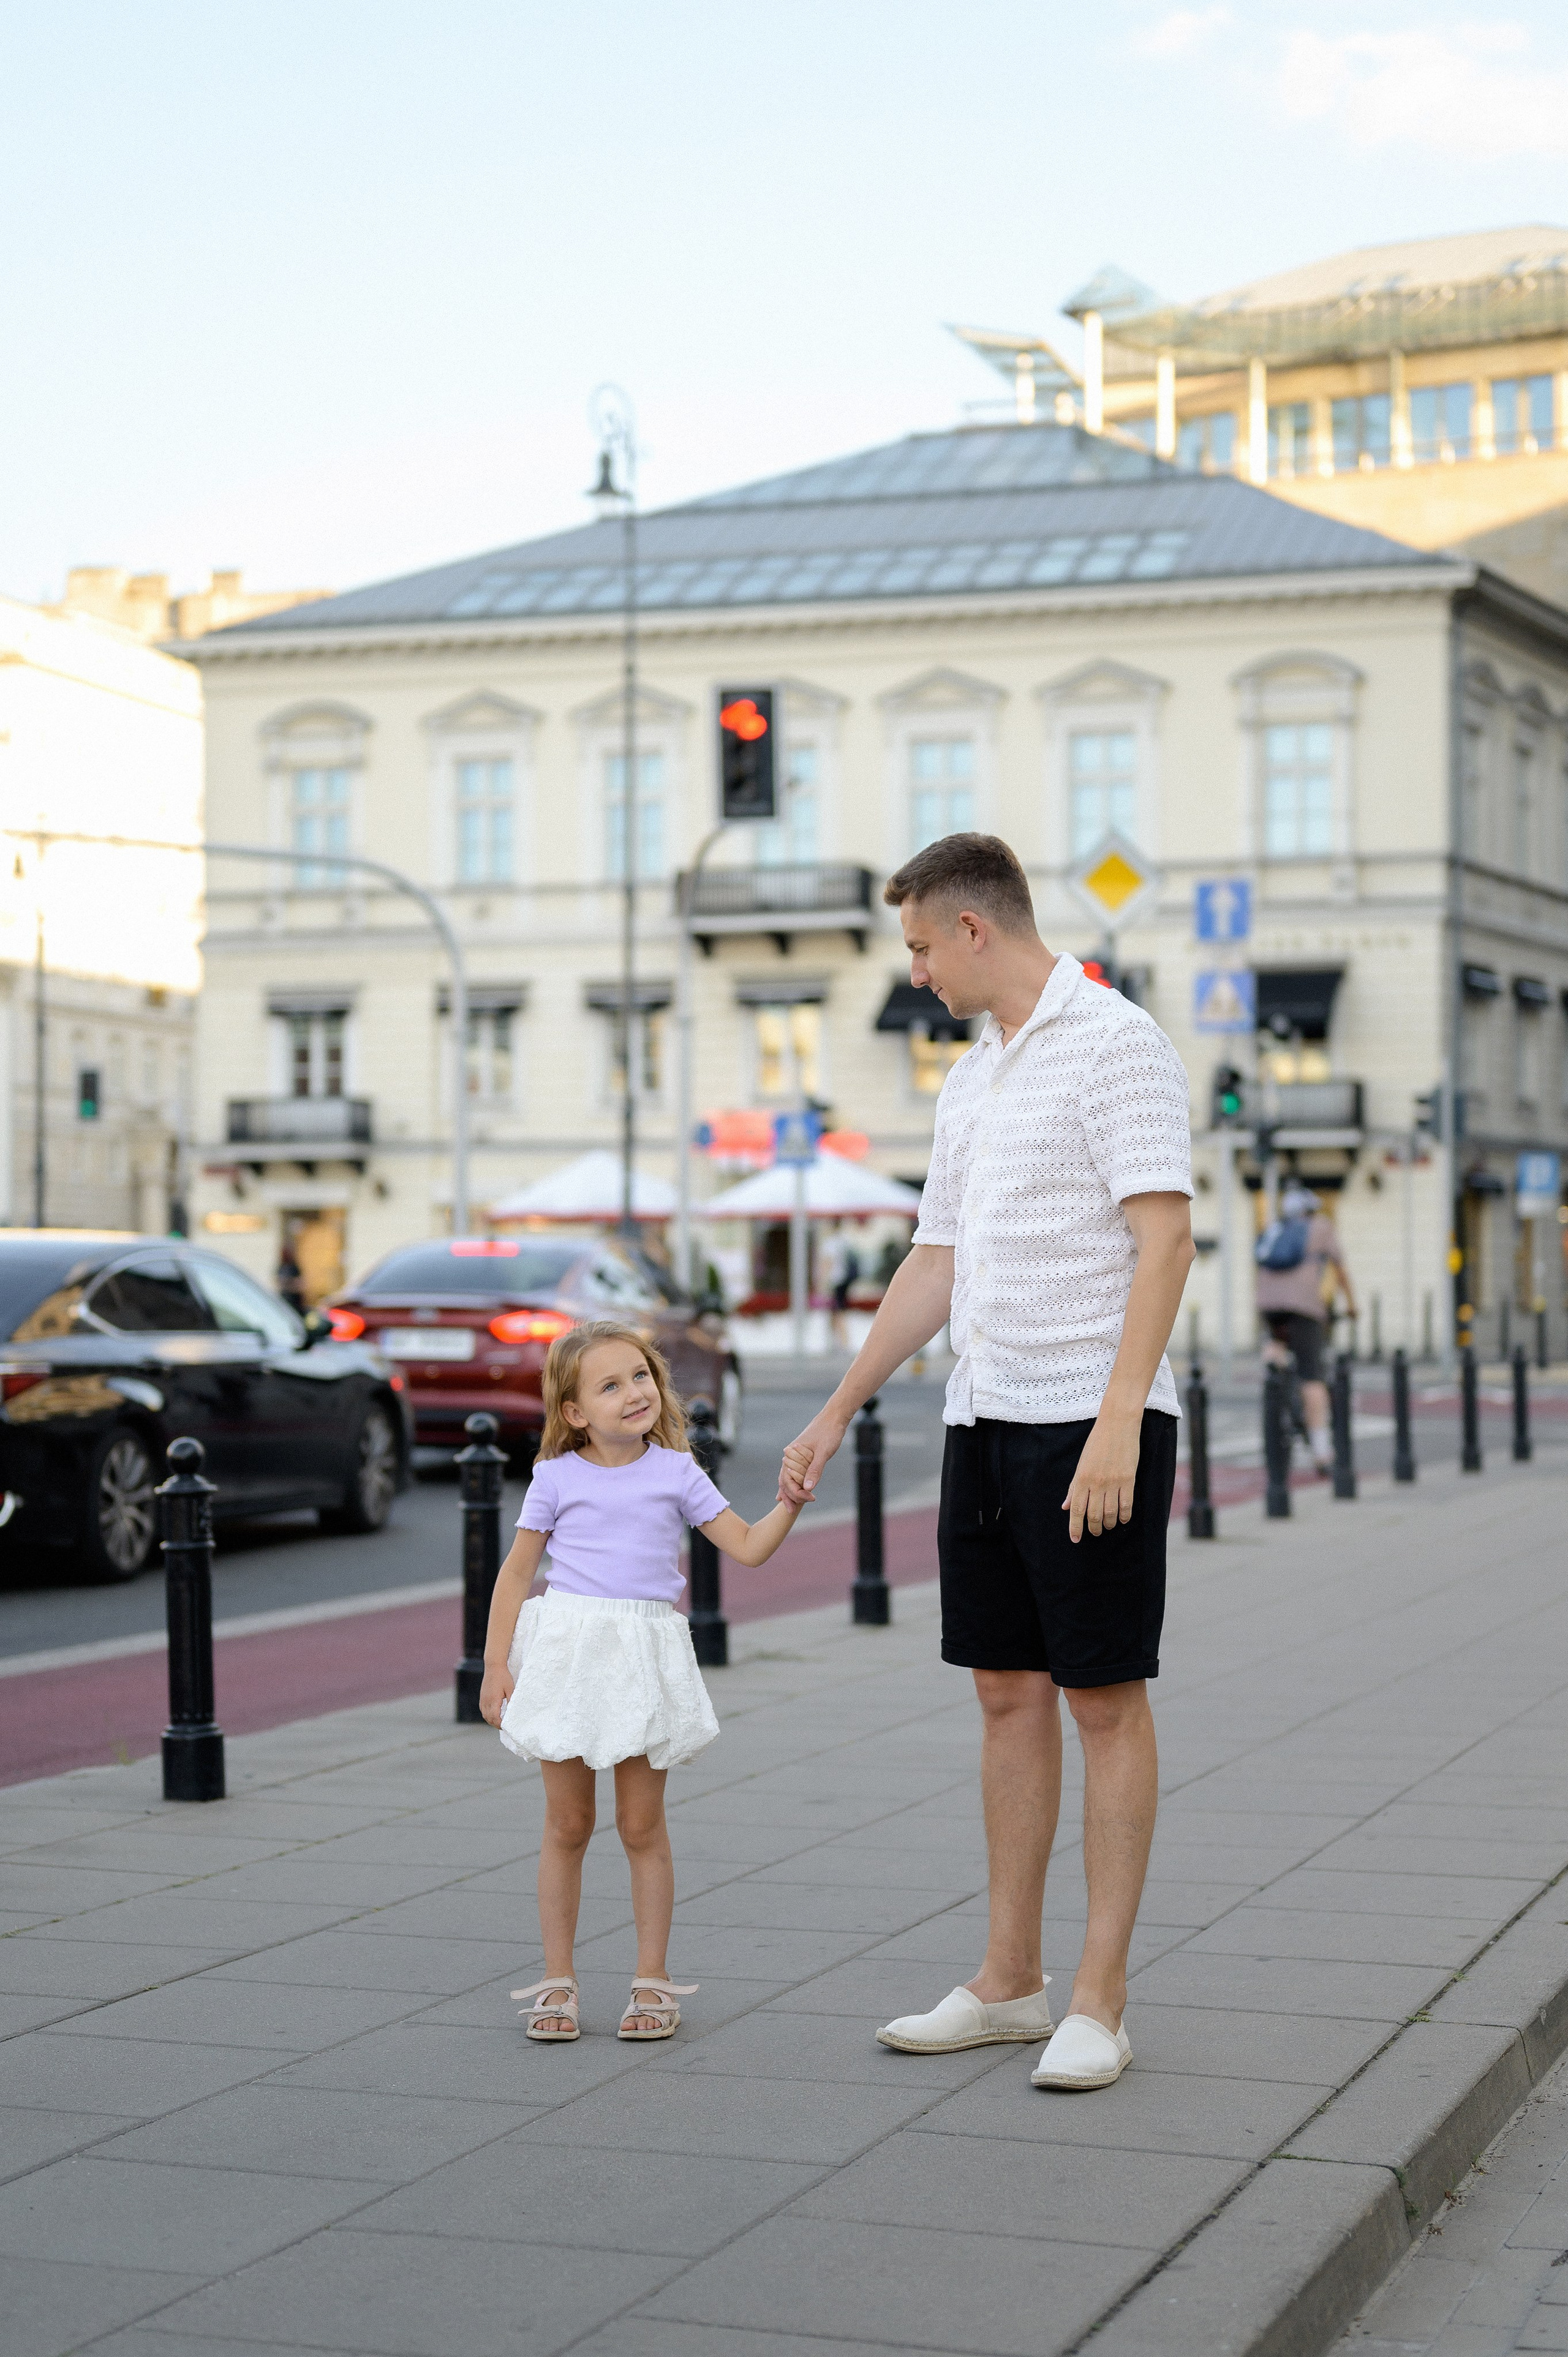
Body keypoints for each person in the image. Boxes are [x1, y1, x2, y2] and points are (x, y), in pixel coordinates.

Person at [780, 834, 1195, 2092]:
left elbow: (1163, 1239)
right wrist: (840, 1404)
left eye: (915, 945)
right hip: (983, 1418)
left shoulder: (1117, 1041)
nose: (911, 971)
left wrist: (1119, 1417)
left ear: (971, 929)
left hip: (1091, 1421)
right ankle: (1007, 1982)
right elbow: (934, 1261)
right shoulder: (970, 1077)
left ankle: (1097, 2001)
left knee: (1102, 1698)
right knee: (1004, 1696)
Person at [479, 1319, 801, 2044]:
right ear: (573, 1412)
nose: (634, 1392)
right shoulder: (556, 1476)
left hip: (641, 1655)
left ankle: (650, 1979)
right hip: (567, 1650)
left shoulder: (677, 1470)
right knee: (567, 1824)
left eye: (641, 1376)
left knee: (640, 1824)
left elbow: (746, 1547)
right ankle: (556, 1979)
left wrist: (788, 1502)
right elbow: (518, 1572)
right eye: (610, 1383)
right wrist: (496, 1663)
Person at [1255, 1181, 1357, 1474]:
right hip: (1304, 1308)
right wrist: (1352, 1305)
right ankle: (1323, 1452)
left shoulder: (1275, 1228)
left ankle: (1276, 1392)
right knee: (1313, 1377)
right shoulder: (1321, 1226)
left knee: (1276, 1357)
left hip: (1270, 1307)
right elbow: (1340, 1269)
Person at [821, 1224, 861, 1346]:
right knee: (835, 1311)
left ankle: (843, 1342)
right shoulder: (844, 1240)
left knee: (838, 1311)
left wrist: (823, 1281)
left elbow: (828, 1263)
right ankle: (835, 1341)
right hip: (845, 1281)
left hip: (836, 1281)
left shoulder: (830, 1243)